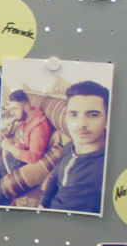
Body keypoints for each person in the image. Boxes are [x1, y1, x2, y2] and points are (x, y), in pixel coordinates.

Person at [39, 80, 109, 214]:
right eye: (74, 114)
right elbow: (55, 175)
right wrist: (43, 201)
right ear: (66, 116)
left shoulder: (97, 172)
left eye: (93, 115)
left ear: (106, 119)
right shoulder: (70, 146)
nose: (81, 124)